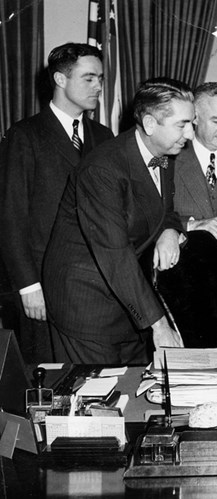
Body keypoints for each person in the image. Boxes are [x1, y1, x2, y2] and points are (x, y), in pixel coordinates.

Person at [42, 77, 191, 364]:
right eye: (182, 124)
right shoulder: (103, 169)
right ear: (149, 125)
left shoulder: (165, 154)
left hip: (126, 297)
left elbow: (164, 207)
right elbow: (115, 252)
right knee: (95, 399)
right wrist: (159, 325)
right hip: (85, 301)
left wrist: (169, 230)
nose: (190, 134)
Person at [0, 43, 113, 364]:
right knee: (48, 379)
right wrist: (27, 286)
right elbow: (10, 218)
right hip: (42, 284)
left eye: (101, 79)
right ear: (60, 80)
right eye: (89, 78)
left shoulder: (103, 137)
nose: (98, 87)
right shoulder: (24, 135)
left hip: (93, 285)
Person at [157, 82, 217, 349]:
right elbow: (151, 214)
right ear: (194, 118)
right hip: (184, 286)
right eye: (216, 120)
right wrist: (192, 225)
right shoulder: (167, 158)